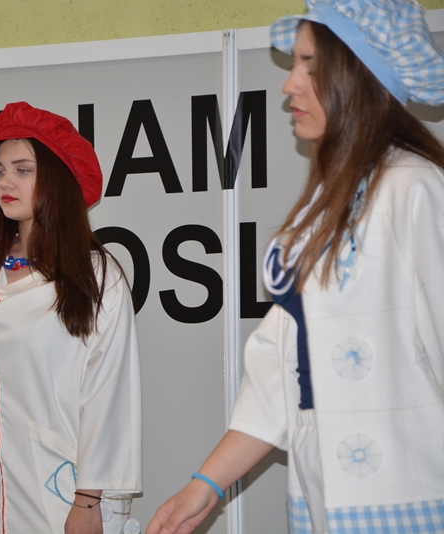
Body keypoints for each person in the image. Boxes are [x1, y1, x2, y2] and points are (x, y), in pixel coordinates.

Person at [147, 1, 444, 533]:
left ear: (359, 74)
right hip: (322, 501)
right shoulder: (324, 210)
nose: (289, 85)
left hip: (408, 502)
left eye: (310, 65)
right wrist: (205, 486)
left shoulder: (414, 188)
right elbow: (279, 371)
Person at [0, 102, 143, 534]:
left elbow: (108, 396)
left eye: (23, 170)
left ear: (57, 180)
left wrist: (88, 501)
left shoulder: (95, 277)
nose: (5, 182)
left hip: (62, 492)